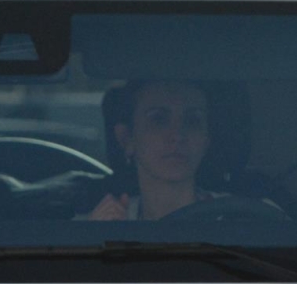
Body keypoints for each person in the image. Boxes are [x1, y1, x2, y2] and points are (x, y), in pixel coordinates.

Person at [84, 80, 221, 221]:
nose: (178, 135)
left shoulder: (238, 219)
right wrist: (94, 236)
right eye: (158, 119)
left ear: (206, 140)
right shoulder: (101, 222)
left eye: (192, 120)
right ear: (126, 138)